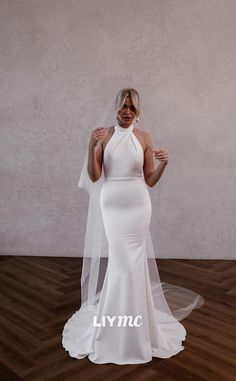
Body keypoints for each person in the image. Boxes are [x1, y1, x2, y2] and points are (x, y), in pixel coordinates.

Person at [62, 88, 204, 365]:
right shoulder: (103, 135)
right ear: (115, 107)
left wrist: (165, 165)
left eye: (132, 108)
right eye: (123, 106)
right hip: (112, 204)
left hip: (139, 205)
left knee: (133, 263)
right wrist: (91, 147)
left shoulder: (144, 138)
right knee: (121, 262)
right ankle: (113, 328)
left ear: (138, 112)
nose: (127, 111)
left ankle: (138, 326)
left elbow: (149, 180)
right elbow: (95, 176)